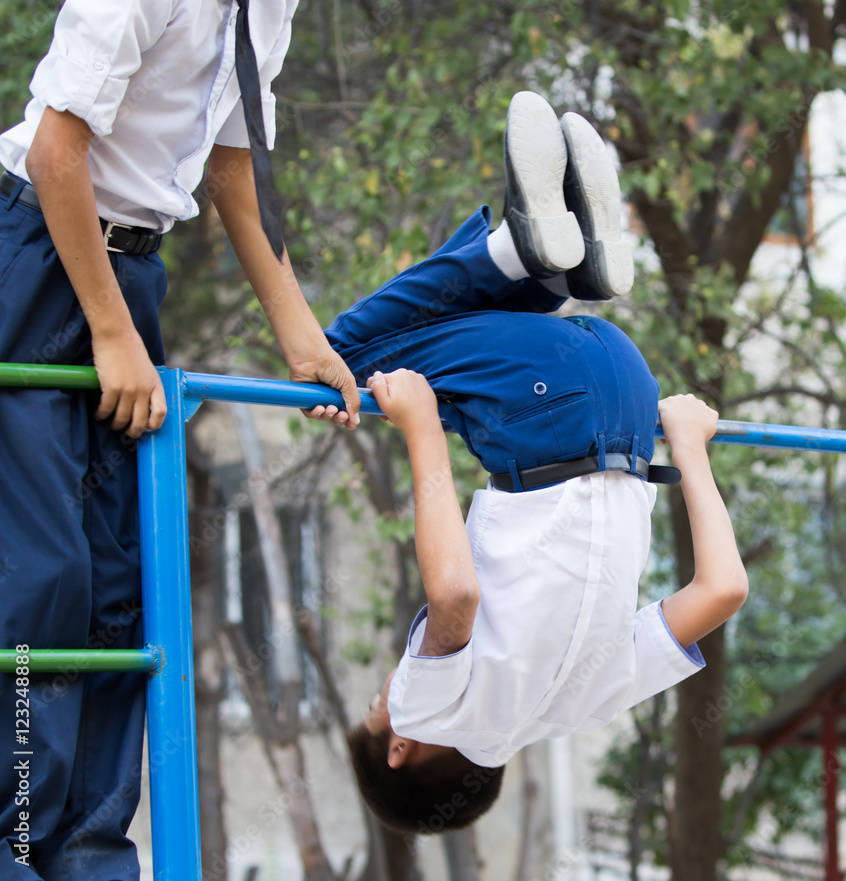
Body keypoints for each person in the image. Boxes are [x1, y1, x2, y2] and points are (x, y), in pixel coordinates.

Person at [327, 92, 749, 834]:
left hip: (625, 390)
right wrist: (420, 426)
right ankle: (524, 257)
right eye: (375, 706)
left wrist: (686, 446)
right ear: (399, 745)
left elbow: (723, 589)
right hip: (546, 403)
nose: (384, 692)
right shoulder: (430, 707)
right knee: (339, 364)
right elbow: (454, 596)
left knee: (458, 398)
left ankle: (564, 270)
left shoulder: (587, 706)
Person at [0, 3, 358, 878]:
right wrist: (111, 331)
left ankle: (87, 856)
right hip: (38, 246)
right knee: (44, 574)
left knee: (122, 586)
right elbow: (56, 151)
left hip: (128, 272)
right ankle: (11, 846)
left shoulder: (269, 7)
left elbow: (233, 170)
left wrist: (302, 336)